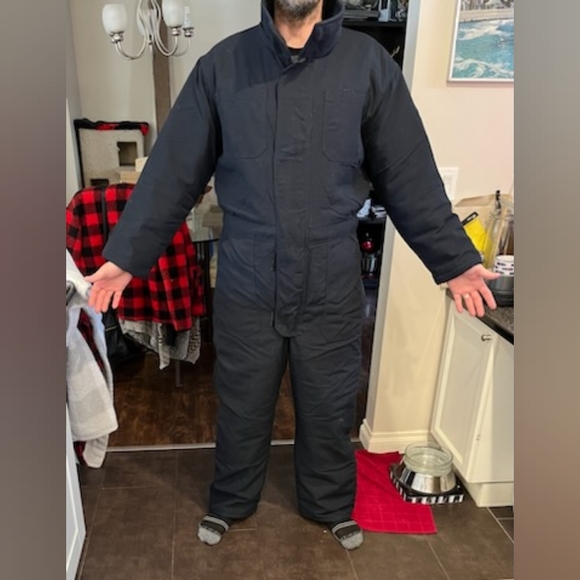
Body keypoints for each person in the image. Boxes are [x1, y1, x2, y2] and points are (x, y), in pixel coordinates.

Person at [86, 0, 499, 551]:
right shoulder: (222, 66)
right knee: (242, 400)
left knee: (329, 403)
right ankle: (231, 501)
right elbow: (173, 171)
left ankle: (328, 504)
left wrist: (454, 261)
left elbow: (408, 172)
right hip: (247, 272)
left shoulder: (368, 65)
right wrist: (125, 257)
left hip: (330, 272)